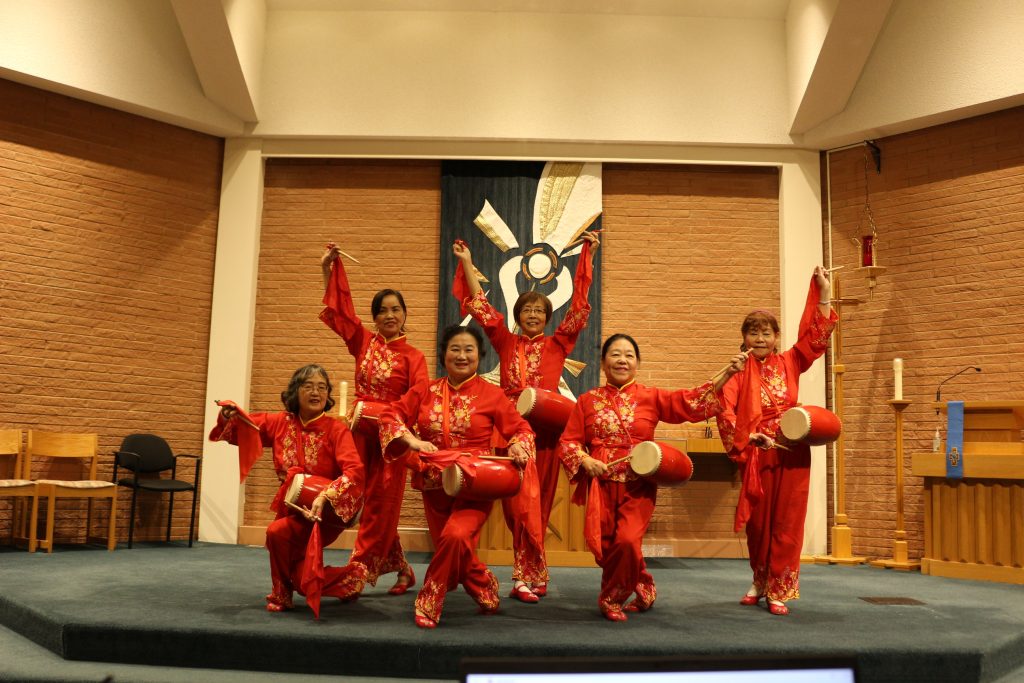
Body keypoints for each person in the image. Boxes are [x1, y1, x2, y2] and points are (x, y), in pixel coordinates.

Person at [451, 231, 599, 602]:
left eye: (539, 311)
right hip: (510, 433)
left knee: (541, 503)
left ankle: (532, 572)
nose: (533, 315)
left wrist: (588, 257)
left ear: (547, 318)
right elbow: (482, 307)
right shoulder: (505, 341)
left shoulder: (558, 344)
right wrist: (467, 262)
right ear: (518, 316)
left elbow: (579, 308)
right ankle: (523, 574)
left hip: (546, 434)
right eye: (527, 310)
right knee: (517, 506)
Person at [558, 334, 745, 622]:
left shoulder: (651, 396)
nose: (622, 360)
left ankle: (611, 598)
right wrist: (585, 460)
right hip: (601, 484)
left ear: (637, 363)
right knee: (605, 547)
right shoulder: (586, 401)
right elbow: (568, 441)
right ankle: (643, 584)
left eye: (629, 355)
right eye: (615, 354)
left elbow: (690, 401)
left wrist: (728, 374)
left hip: (638, 485)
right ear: (603, 363)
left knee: (627, 541)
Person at [378, 325, 536, 629]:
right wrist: (411, 440)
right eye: (455, 349)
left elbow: (521, 429)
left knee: (456, 536)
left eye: (469, 350)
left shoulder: (493, 395)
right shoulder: (425, 390)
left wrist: (517, 444)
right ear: (444, 355)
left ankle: (430, 598)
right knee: (450, 546)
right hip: (434, 481)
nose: (462, 356)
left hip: (476, 481)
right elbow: (390, 415)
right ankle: (482, 583)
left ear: (479, 355)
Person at [715, 266, 836, 616]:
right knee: (758, 525)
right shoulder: (738, 371)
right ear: (744, 338)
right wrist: (747, 436)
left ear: (777, 337)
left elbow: (817, 338)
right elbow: (724, 410)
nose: (759, 339)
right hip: (758, 452)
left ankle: (779, 588)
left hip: (793, 451)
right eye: (753, 332)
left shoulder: (790, 361)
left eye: (766, 333)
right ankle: (759, 580)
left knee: (787, 522)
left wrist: (824, 293)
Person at [319, 242, 429, 599]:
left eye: (396, 309)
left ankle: (358, 571)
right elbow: (341, 313)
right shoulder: (363, 342)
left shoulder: (414, 356)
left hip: (390, 439)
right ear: (375, 318)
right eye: (382, 310)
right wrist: (328, 269)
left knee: (382, 503)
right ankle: (402, 567)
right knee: (359, 496)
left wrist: (389, 422)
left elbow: (418, 398)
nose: (389, 315)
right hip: (357, 435)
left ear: (405, 314)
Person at [210, 364, 364, 613]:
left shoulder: (337, 430)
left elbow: (355, 471)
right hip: (293, 506)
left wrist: (326, 496)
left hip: (325, 511)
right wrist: (228, 416)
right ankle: (348, 579)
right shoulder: (280, 423)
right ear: (295, 391)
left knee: (277, 534)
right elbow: (245, 427)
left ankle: (286, 592)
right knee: (300, 574)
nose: (316, 392)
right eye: (308, 386)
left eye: (322, 387)